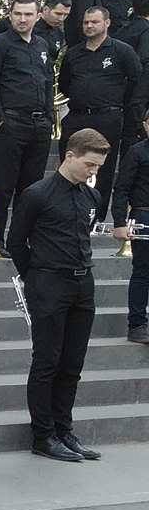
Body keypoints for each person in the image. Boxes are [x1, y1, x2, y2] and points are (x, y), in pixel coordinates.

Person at [8, 129, 110, 463]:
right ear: (70, 155)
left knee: (72, 363)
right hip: (49, 283)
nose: (93, 171)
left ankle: (64, 430)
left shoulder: (91, 197)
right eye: (89, 164)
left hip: (83, 283)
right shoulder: (37, 194)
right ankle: (43, 435)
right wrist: (36, 277)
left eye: (98, 166)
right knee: (47, 361)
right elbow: (16, 242)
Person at [0, 0, 57, 246]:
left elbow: (48, 82)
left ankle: (21, 239)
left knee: (32, 188)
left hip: (40, 125)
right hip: (11, 123)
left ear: (38, 16)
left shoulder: (42, 45)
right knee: (3, 185)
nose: (22, 19)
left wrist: (49, 117)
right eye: (17, 14)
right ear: (10, 15)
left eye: (28, 14)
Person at [57, 4, 142, 224]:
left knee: (102, 169)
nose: (89, 26)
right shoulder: (74, 53)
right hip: (77, 117)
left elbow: (137, 81)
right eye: (86, 22)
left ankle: (95, 219)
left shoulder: (122, 51)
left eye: (94, 22)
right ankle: (67, 214)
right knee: (69, 164)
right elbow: (65, 83)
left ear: (107, 23)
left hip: (107, 118)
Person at [110, 107, 149, 344]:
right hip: (144, 215)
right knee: (143, 271)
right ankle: (137, 324)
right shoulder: (136, 152)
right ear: (145, 124)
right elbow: (121, 189)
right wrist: (119, 222)